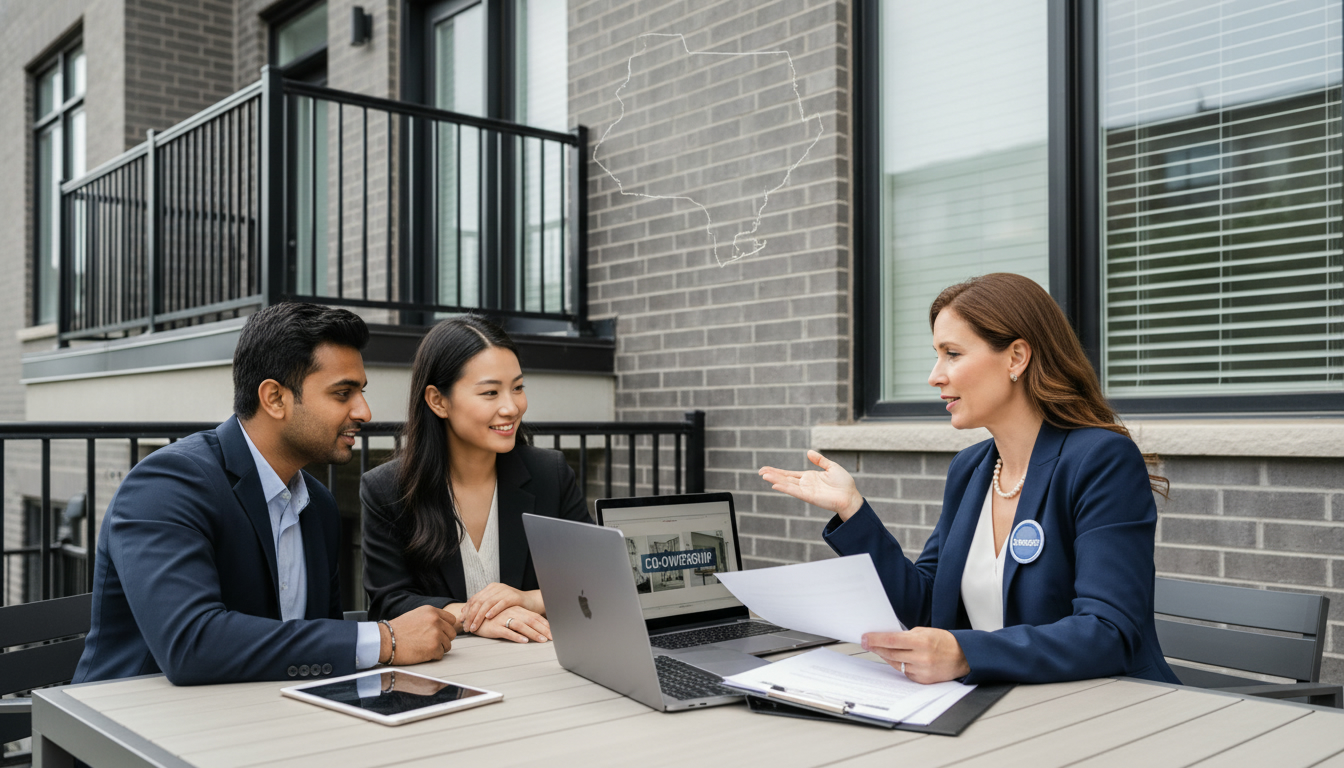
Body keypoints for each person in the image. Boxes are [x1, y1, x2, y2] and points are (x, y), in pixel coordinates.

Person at [759, 273, 1179, 686]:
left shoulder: (1099, 460)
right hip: (995, 705)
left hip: (1102, 708)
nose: (935, 375)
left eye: (952, 354)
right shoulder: (970, 470)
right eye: (937, 355)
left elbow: (1109, 631)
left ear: (1016, 357)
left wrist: (965, 655)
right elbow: (926, 607)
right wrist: (852, 510)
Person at [74, 303, 457, 685]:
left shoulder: (319, 507)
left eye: (361, 391)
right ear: (274, 398)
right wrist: (384, 639)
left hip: (263, 721)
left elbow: (319, 648)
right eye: (343, 393)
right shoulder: (168, 483)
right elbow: (191, 644)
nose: (365, 411)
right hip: (128, 729)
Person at [360, 316, 589, 643]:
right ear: (438, 401)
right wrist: (472, 617)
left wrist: (528, 599)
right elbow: (389, 604)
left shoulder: (549, 474)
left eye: (518, 388)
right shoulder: (386, 490)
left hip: (539, 666)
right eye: (490, 392)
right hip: (444, 675)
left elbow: (597, 579)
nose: (511, 407)